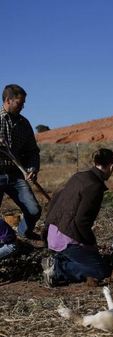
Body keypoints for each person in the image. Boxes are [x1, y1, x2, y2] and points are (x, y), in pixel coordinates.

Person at [41, 149, 113, 287]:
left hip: (53, 231)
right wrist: (92, 244)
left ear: (95, 162)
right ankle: (57, 270)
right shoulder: (95, 186)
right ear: (111, 166)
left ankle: (58, 259)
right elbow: (81, 222)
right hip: (66, 237)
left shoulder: (79, 176)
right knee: (100, 271)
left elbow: (55, 199)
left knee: (90, 259)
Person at [0, 84, 41, 240]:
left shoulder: (24, 123)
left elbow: (33, 150)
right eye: (19, 103)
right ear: (8, 100)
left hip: (16, 175)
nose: (22, 107)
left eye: (23, 103)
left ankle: (24, 233)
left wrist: (32, 168)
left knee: (34, 210)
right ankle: (4, 244)